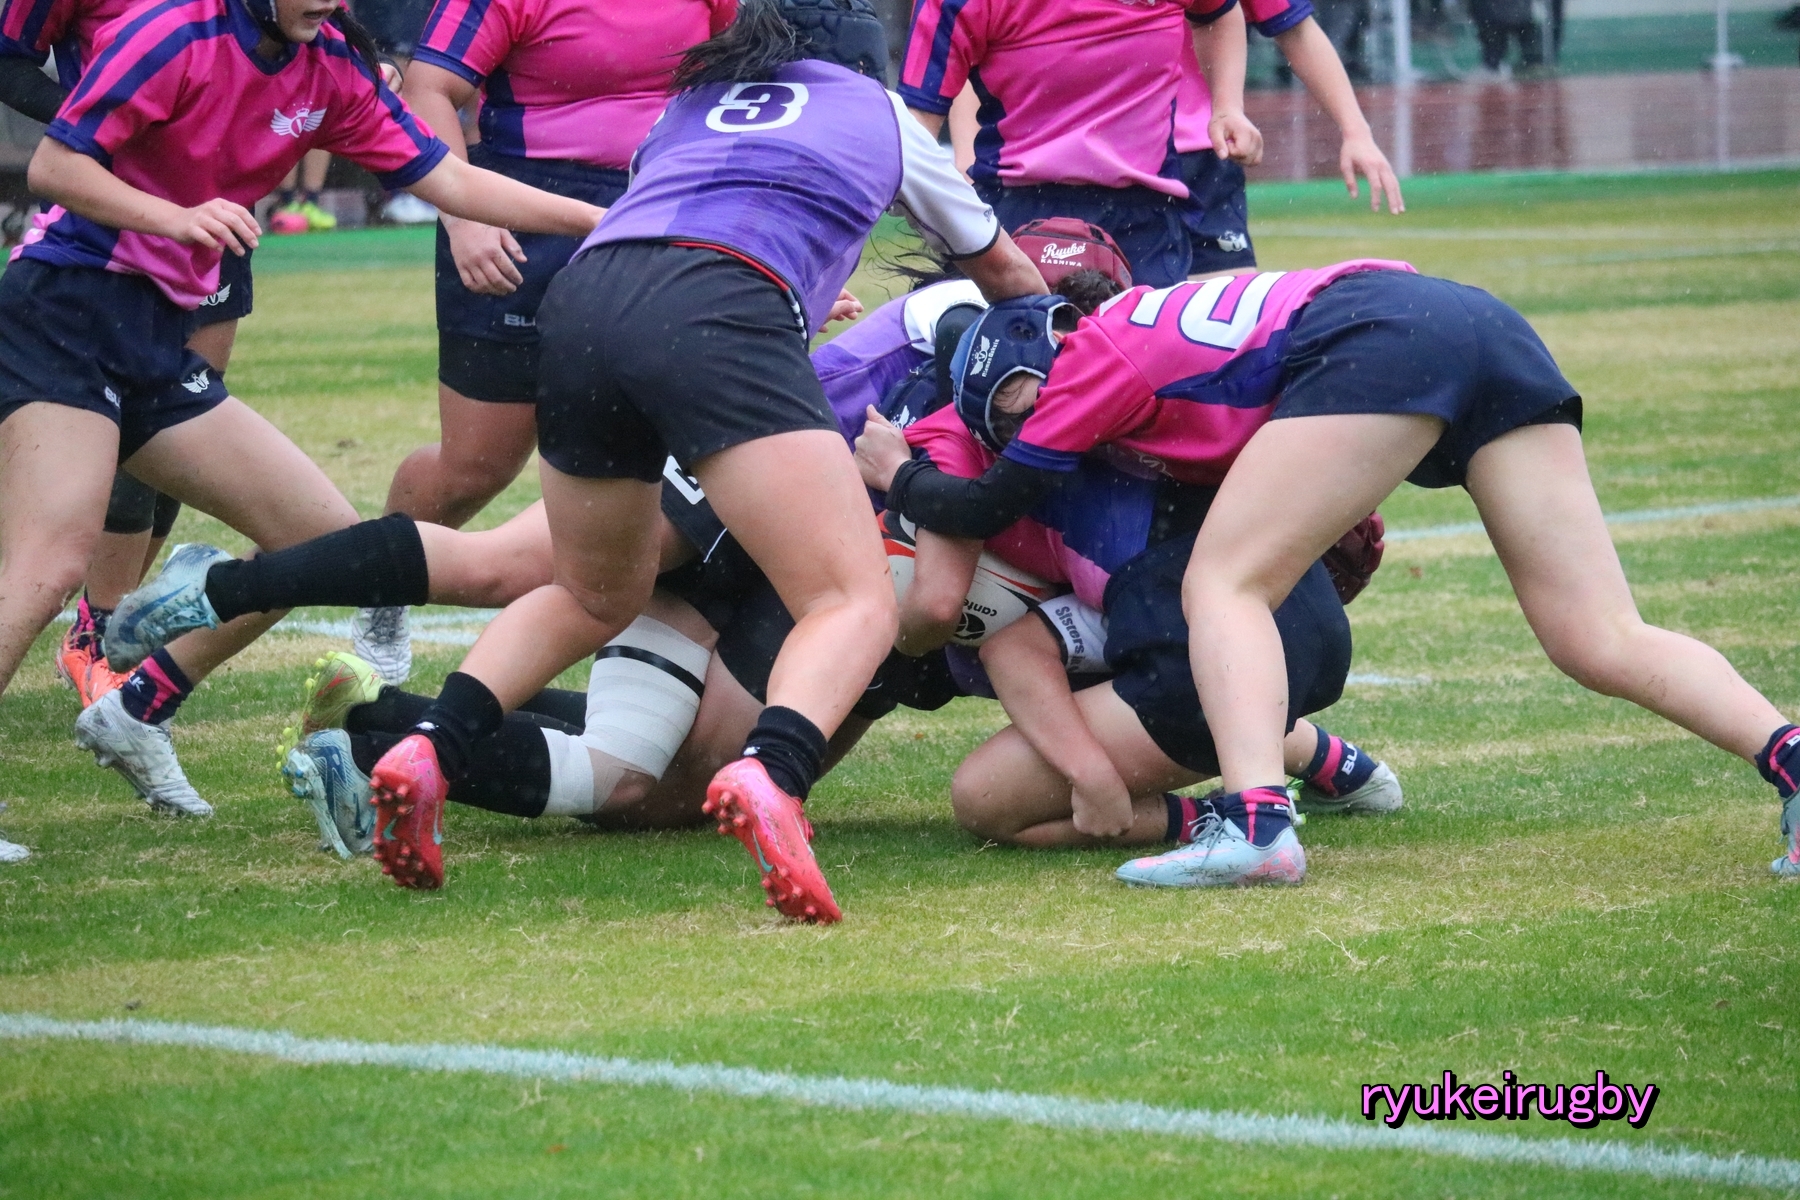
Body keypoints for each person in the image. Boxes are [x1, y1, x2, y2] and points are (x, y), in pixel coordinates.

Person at [0, 0, 606, 825]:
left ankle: (137, 707)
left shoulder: (330, 66)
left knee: (322, 544)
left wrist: (607, 222)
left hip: (152, 338)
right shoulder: (172, 32)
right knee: (49, 562)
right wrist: (177, 218)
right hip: (64, 315)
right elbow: (54, 168)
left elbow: (453, 181)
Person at [1174, 268, 1800, 882]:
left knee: (1227, 582)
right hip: (1481, 322)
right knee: (1602, 635)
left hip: (1392, 332)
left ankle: (1256, 828)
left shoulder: (1118, 340)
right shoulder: (1174, 306)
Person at [349, 0, 738, 686]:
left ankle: (664, 640)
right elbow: (429, 90)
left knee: (677, 441)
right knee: (475, 465)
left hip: (661, 205)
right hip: (517, 211)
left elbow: (741, 80)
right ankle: (381, 586)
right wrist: (464, 219)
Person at [0, 0, 258, 708]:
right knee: (105, 451)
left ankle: (108, 631)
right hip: (104, 221)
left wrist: (373, 69)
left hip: (214, 212)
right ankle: (100, 630)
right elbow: (8, 59)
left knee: (176, 424)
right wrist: (97, 123)